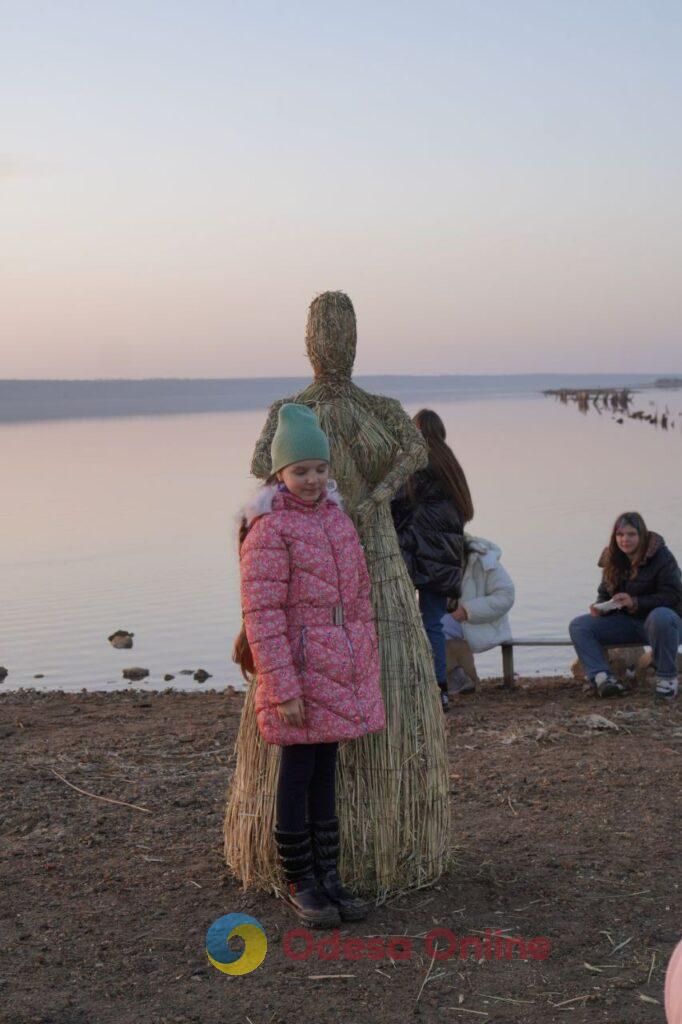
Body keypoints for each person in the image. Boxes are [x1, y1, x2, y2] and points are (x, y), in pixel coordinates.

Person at [233, 403, 386, 928]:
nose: (312, 479)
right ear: (280, 473)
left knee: (326, 772)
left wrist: (362, 663)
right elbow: (262, 615)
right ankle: (301, 883)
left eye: (319, 469)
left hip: (339, 668)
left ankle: (331, 878)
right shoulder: (269, 529)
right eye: (300, 471)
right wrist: (281, 688)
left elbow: (360, 597)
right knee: (296, 774)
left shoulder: (338, 520)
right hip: (297, 672)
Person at [391, 409, 474, 711]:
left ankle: (420, 685)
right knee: (434, 623)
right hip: (447, 558)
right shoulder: (451, 464)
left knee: (406, 622)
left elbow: (395, 505)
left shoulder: (417, 465)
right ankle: (439, 688)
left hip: (419, 555)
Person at [569, 512, 682, 699]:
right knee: (579, 625)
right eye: (620, 535)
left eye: (631, 534)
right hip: (627, 623)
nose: (625, 540)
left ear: (642, 535)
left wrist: (634, 602)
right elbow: (603, 593)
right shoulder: (612, 558)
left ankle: (667, 679)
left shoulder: (663, 557)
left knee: (660, 615)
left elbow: (673, 596)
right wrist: (601, 607)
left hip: (666, 625)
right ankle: (602, 678)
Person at [441, 534, 515, 695]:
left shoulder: (484, 561)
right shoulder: (440, 558)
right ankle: (450, 675)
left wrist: (468, 611)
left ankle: (459, 677)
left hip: (482, 623)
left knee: (438, 627)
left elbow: (506, 596)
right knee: (428, 624)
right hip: (453, 620)